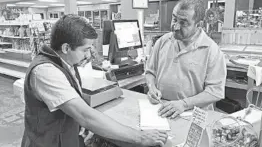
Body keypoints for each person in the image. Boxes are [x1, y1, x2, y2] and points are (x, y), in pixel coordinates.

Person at [21, 14, 167, 147]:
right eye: (85, 49)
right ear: (66, 48)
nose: (88, 54)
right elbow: (84, 115)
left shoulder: (66, 61)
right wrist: (140, 137)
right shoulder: (45, 71)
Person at [146, 0, 226, 119]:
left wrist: (184, 104)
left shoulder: (211, 50)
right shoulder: (163, 41)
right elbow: (150, 72)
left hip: (193, 115)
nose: (175, 26)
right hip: (161, 109)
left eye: (183, 23)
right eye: (174, 19)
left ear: (198, 25)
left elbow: (215, 92)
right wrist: (152, 87)